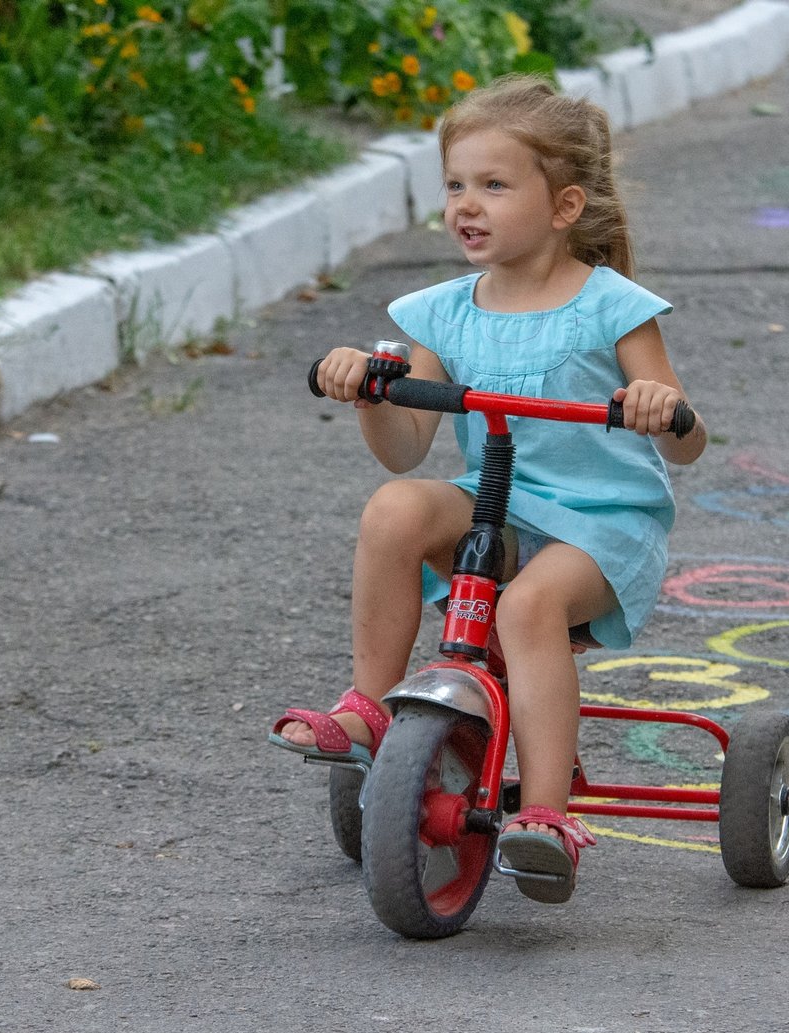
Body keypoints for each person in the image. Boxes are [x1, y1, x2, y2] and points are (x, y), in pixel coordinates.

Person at [270, 73, 707, 903]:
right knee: (396, 508)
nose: (466, 205)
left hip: (600, 524)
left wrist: (662, 409)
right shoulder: (443, 313)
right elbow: (404, 451)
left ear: (565, 205)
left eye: (494, 186)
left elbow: (688, 445)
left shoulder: (611, 307)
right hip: (499, 502)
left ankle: (545, 814)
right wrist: (372, 390)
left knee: (527, 608)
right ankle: (368, 708)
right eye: (455, 185)